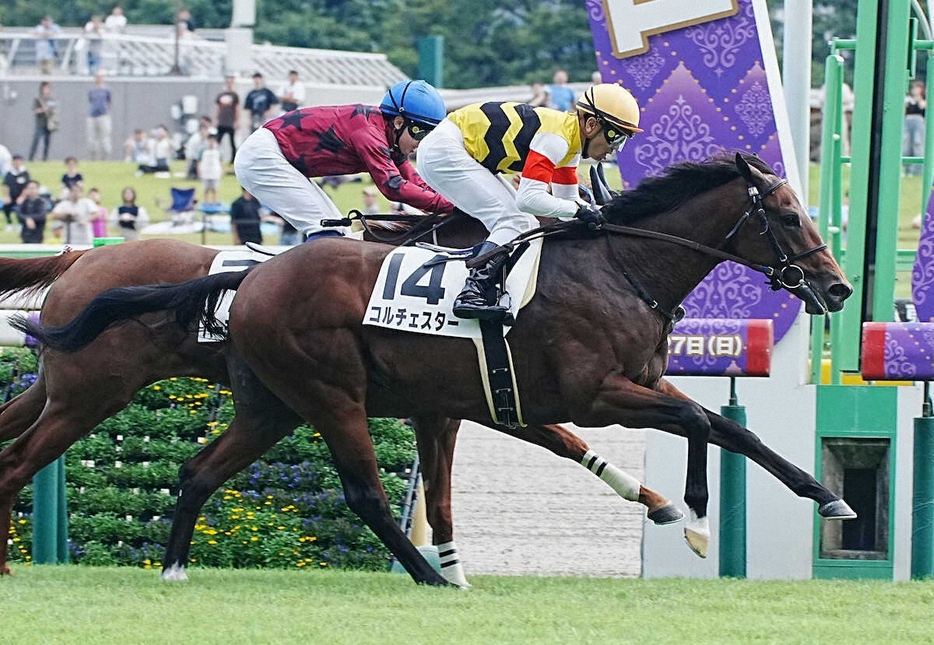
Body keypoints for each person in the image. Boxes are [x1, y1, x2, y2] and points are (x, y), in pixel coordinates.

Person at [418, 82, 642, 319]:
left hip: (456, 149)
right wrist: (581, 210)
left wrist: (595, 211)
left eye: (622, 140)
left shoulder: (571, 145)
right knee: (517, 220)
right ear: (591, 124)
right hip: (446, 149)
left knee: (522, 221)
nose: (615, 148)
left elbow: (566, 206)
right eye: (614, 136)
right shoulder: (557, 139)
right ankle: (472, 291)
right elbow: (529, 199)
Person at [234, 79, 454, 241]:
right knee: (327, 231)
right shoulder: (369, 133)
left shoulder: (387, 135)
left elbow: (415, 181)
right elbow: (393, 186)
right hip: (263, 156)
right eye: (420, 132)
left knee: (339, 230)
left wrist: (455, 203)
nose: (422, 142)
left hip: (278, 155)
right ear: (398, 122)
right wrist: (450, 206)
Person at [87, 72, 113, 161]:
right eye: (97, 77)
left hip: (103, 116)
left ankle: (105, 159)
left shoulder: (106, 90)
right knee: (92, 138)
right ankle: (94, 159)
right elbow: (90, 101)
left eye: (100, 77)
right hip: (92, 116)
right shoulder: (92, 91)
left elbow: (109, 102)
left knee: (104, 138)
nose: (98, 79)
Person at [29, 81, 56, 162]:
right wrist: (43, 109)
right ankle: (31, 157)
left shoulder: (51, 99)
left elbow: (54, 110)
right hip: (40, 123)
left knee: (47, 142)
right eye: (45, 88)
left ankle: (44, 158)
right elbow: (35, 110)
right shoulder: (38, 99)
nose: (47, 90)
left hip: (48, 123)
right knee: (36, 140)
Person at [215, 76, 240, 161]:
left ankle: (233, 159)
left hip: (230, 122)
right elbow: (218, 108)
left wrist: (236, 121)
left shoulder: (234, 96)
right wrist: (215, 120)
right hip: (222, 122)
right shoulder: (221, 95)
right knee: (217, 141)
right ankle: (217, 157)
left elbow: (237, 109)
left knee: (232, 142)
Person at [904, 79, 926, 177]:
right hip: (908, 122)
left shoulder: (922, 101)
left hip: (918, 123)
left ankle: (917, 171)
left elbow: (923, 108)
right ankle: (907, 170)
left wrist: (918, 99)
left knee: (918, 145)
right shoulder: (909, 100)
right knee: (906, 147)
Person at [2, 154, 30, 228]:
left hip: (22, 196)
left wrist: (22, 197)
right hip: (12, 196)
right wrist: (6, 196)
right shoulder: (9, 173)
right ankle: (9, 223)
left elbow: (27, 186)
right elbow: (5, 185)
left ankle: (20, 223)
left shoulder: (25, 173)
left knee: (21, 206)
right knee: (6, 206)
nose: (17, 163)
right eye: (15, 161)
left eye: (18, 161)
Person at [198, 131, 223, 204]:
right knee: (206, 188)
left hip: (215, 171)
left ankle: (214, 201)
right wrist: (199, 170)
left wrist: (221, 170)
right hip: (206, 171)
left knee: (214, 188)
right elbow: (199, 160)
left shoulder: (218, 149)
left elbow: (221, 161)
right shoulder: (203, 149)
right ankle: (206, 201)